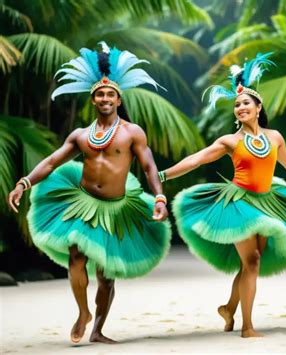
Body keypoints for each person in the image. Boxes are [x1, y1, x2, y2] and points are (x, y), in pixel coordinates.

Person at [7, 42, 171, 343]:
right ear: (93, 99)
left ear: (118, 99)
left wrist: (159, 197)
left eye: (110, 94)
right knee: (76, 258)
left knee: (106, 277)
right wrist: (24, 182)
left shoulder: (132, 133)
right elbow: (52, 160)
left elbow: (149, 167)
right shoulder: (81, 135)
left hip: (116, 209)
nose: (105, 98)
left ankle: (97, 329)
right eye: (100, 94)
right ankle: (83, 312)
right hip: (82, 204)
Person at [159, 53, 286, 337]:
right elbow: (195, 160)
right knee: (252, 262)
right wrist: (161, 175)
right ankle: (247, 327)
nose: (240, 107)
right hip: (237, 204)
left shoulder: (275, 138)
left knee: (251, 263)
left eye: (245, 103)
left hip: (268, 202)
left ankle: (229, 308)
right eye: (236, 105)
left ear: (258, 107)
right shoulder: (230, 141)